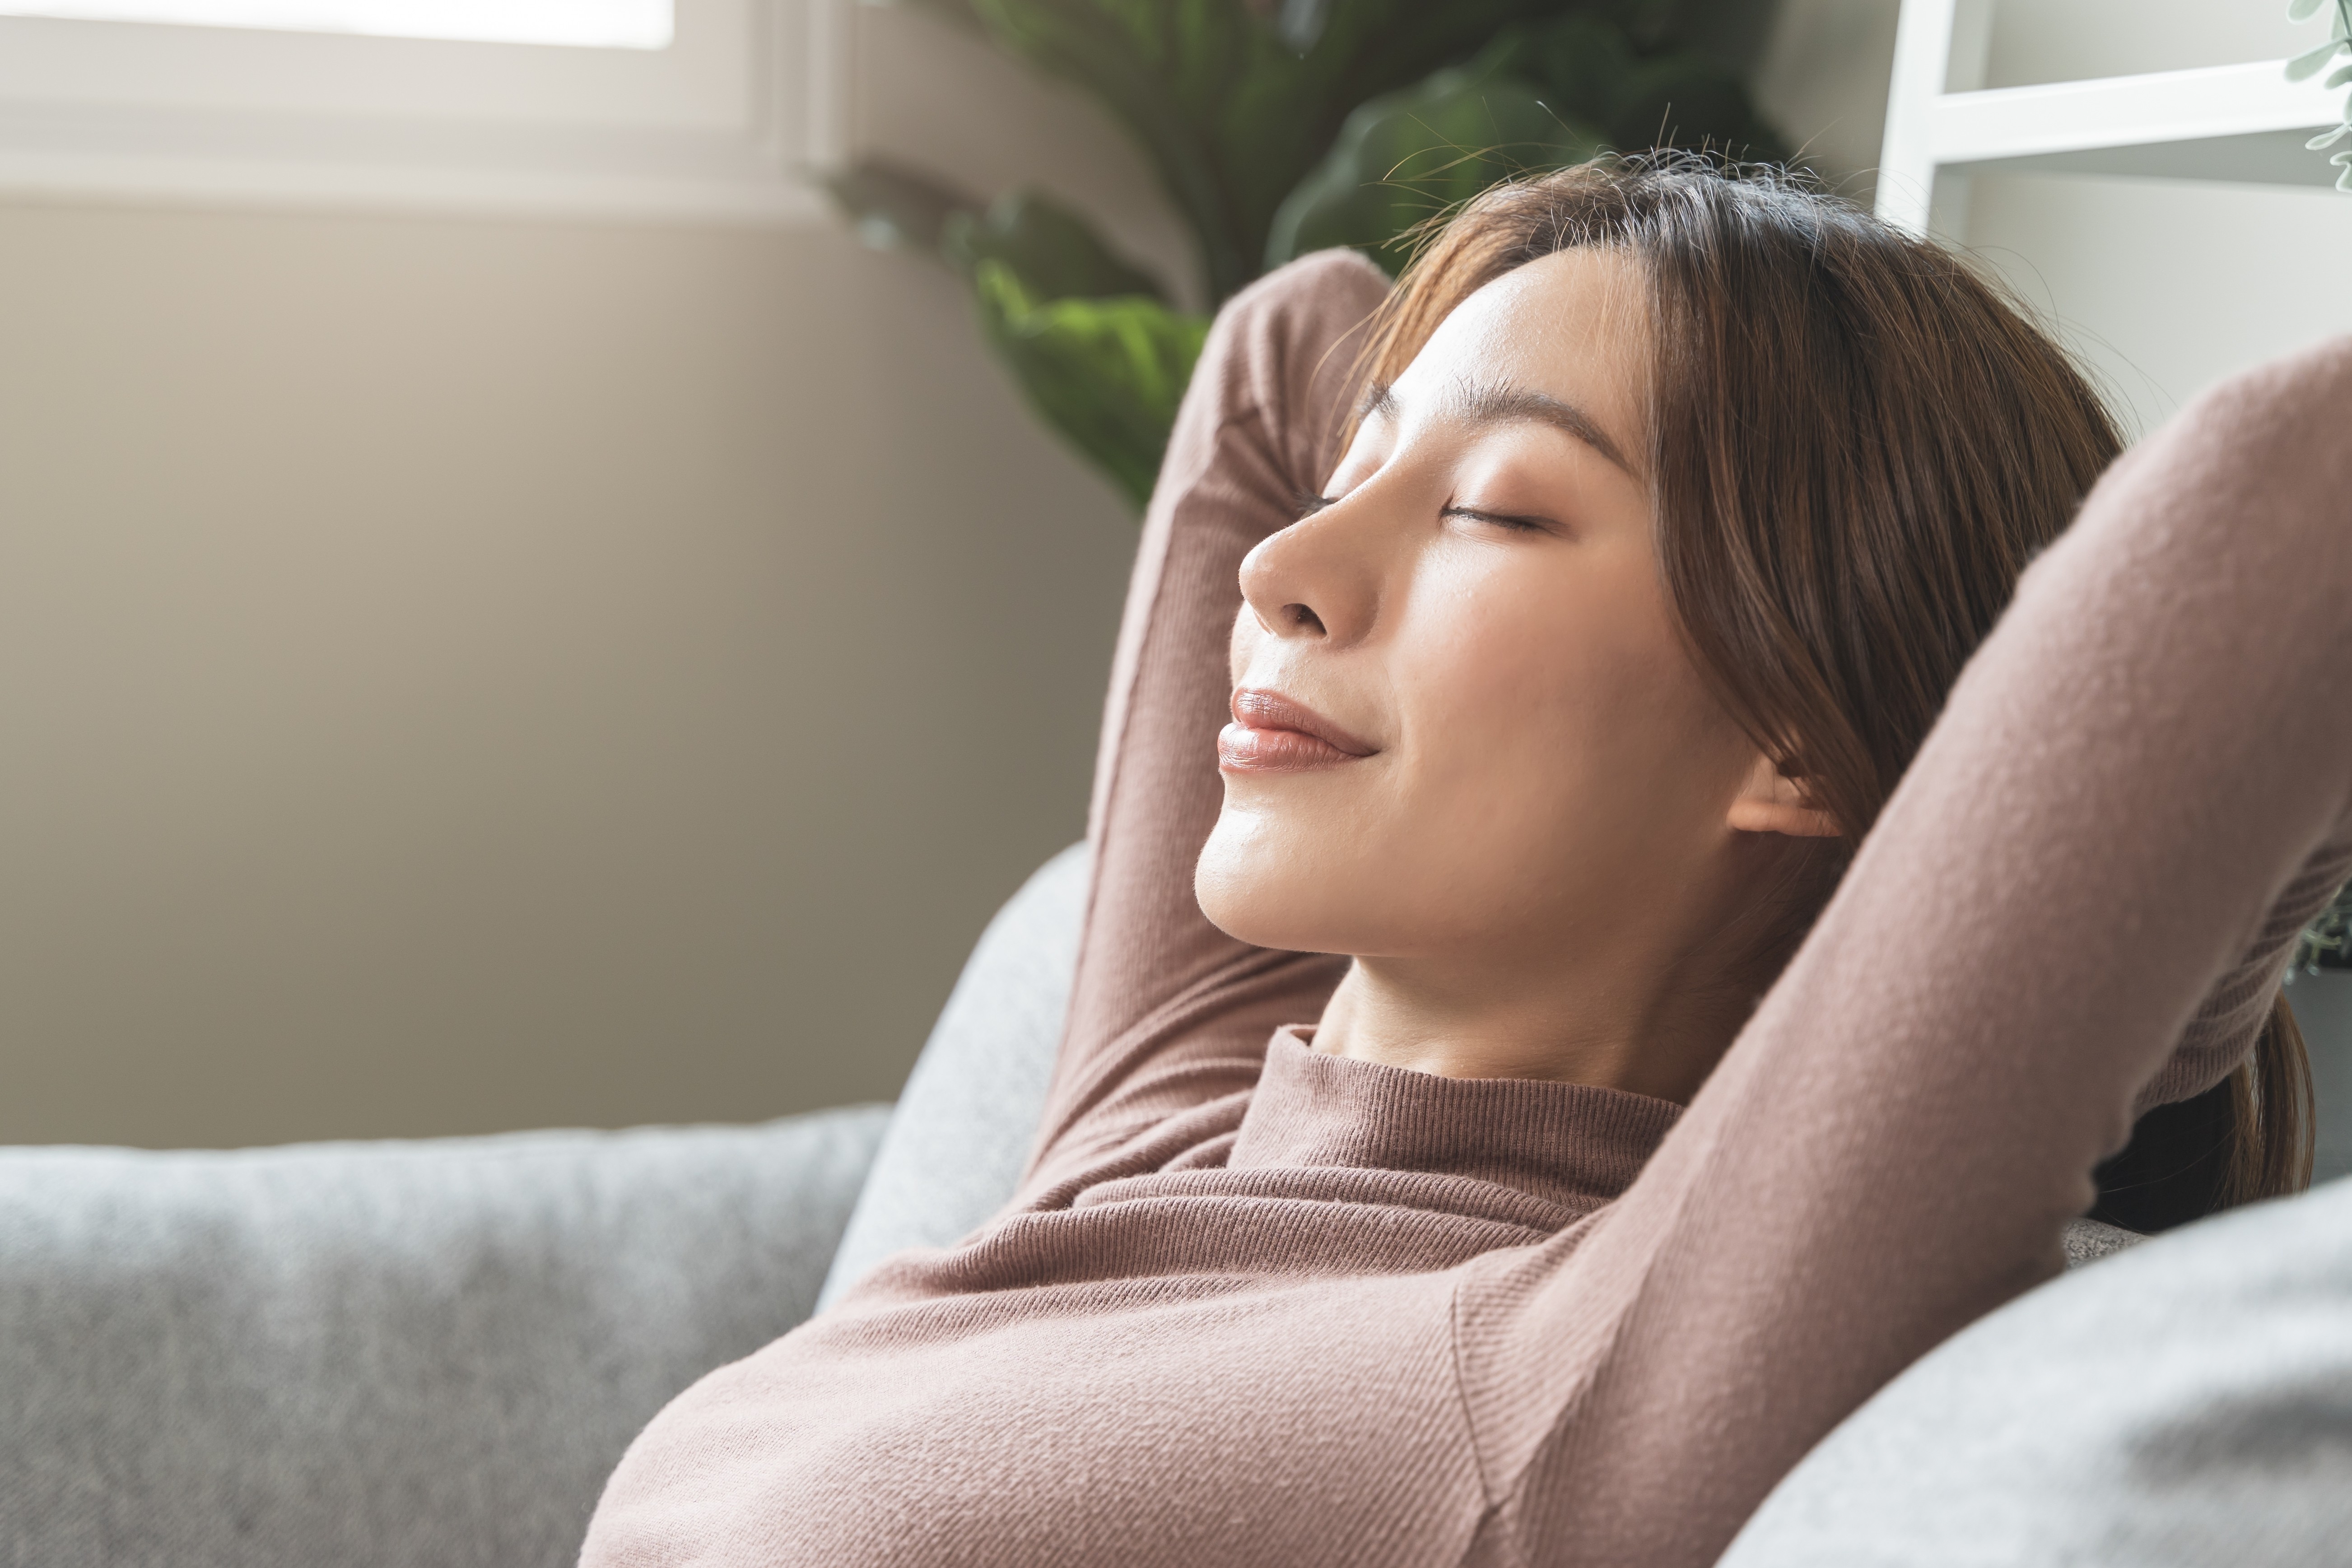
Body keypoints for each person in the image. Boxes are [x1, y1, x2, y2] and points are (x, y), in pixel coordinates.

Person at [577, 157, 2351, 1568]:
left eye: (1495, 507)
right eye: (1360, 472)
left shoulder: (1584, 1381)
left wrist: (2167, 1003)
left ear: (1794, 741)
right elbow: (1284, 350)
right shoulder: (1163, 1127)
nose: (1288, 560)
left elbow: (2293, 501)